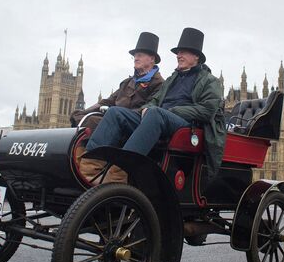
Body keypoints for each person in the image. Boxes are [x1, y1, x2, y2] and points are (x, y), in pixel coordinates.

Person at [85, 27, 226, 181]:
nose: (178, 55)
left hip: (185, 124)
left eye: (183, 52)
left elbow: (207, 110)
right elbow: (154, 101)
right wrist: (147, 108)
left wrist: (173, 111)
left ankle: (120, 172)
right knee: (116, 113)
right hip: (157, 119)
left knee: (155, 114)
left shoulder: (209, 80)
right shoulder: (173, 79)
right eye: (178, 52)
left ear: (196, 57)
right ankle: (90, 164)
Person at [69, 32, 164, 129]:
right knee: (80, 117)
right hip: (113, 117)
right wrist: (83, 112)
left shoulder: (159, 83)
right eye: (134, 56)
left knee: (93, 121)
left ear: (152, 59)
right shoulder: (127, 82)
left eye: (139, 55)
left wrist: (117, 114)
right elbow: (106, 102)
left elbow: (147, 109)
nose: (135, 58)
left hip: (131, 123)